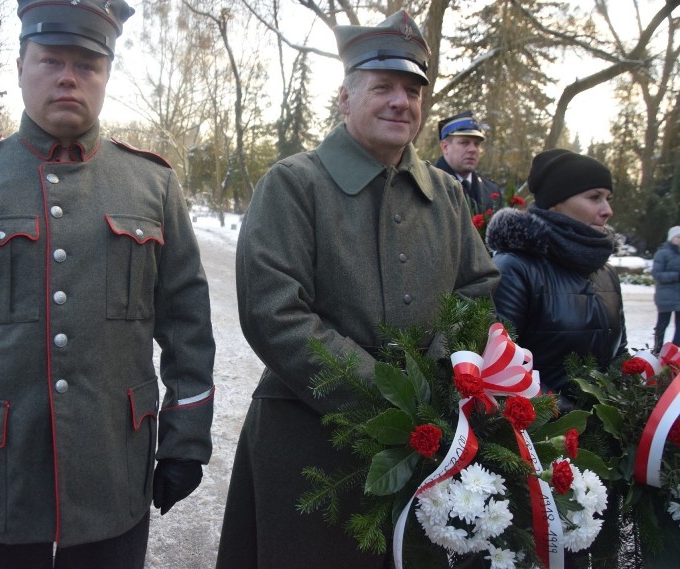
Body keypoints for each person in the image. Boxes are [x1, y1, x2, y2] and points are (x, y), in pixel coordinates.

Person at [0, 1, 215, 567]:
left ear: (107, 73)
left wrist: (186, 439)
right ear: (19, 68)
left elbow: (188, 326)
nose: (68, 76)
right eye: (51, 60)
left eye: (87, 64)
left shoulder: (152, 185)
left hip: (113, 472)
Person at [215, 11, 499, 569]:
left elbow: (479, 288)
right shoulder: (294, 184)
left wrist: (440, 377)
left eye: (413, 90)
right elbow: (275, 313)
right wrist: (387, 396)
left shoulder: (445, 195)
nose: (401, 101)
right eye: (384, 87)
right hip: (308, 441)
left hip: (428, 444)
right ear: (345, 99)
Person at [486, 148, 627, 411]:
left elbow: (619, 354)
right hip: (541, 438)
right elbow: (502, 367)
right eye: (594, 197)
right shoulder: (515, 268)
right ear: (556, 203)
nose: (607, 210)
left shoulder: (606, 272)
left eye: (608, 198)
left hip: (604, 438)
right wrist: (574, 418)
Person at [434, 110, 502, 212]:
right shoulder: (430, 186)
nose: (473, 150)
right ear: (445, 147)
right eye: (464, 143)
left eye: (477, 144)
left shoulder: (492, 191)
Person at [652, 225, 680, 353]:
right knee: (662, 325)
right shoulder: (662, 253)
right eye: (678, 237)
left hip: (678, 296)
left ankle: (675, 351)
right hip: (665, 296)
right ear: (671, 238)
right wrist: (676, 275)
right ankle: (657, 351)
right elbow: (657, 274)